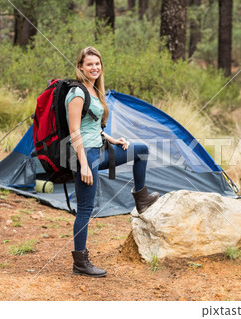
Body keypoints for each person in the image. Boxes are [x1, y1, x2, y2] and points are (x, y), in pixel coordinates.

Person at [66, 46, 159, 277]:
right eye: (89, 64)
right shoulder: (77, 93)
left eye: (97, 64)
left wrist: (113, 140)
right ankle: (80, 261)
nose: (94, 67)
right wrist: (84, 165)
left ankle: (142, 198)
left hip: (99, 149)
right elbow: (75, 131)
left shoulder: (94, 90)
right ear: (80, 67)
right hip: (85, 155)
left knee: (141, 151)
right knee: (86, 209)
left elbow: (93, 127)